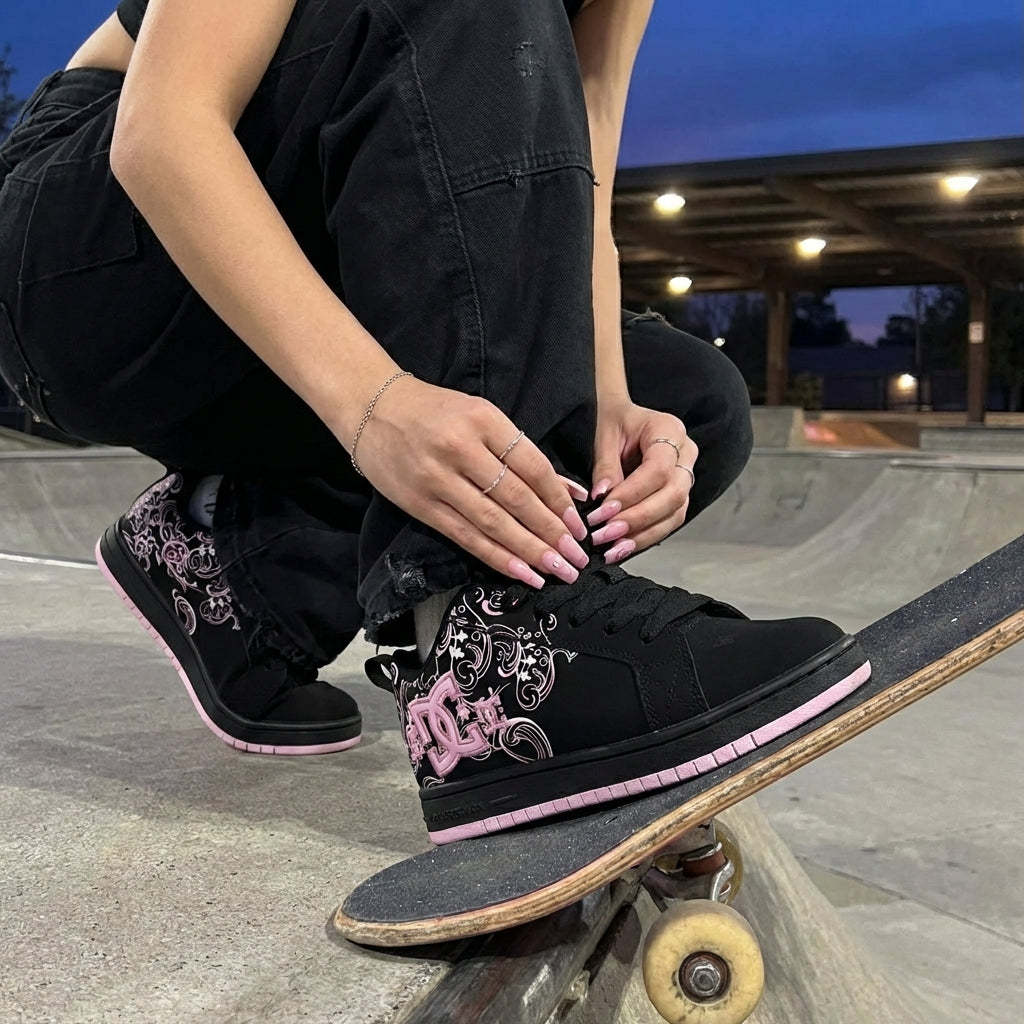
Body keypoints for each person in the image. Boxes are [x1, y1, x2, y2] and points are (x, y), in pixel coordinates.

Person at [0, 1, 869, 831]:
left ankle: (244, 567)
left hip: (292, 253)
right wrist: (372, 405)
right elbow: (163, 132)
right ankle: (490, 641)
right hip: (83, 261)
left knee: (688, 404)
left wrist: (603, 395)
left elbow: (581, 178)